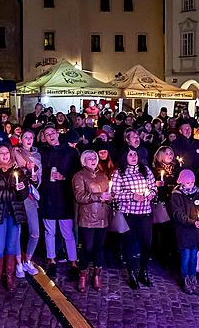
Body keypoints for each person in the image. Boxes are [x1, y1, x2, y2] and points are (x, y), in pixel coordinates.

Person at [111, 147, 156, 289]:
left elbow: (153, 186)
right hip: (129, 214)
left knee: (146, 244)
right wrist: (132, 196)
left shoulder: (146, 170)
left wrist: (151, 194)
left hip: (145, 213)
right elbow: (115, 194)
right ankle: (131, 273)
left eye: (135, 154)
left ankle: (143, 271)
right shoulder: (119, 173)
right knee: (130, 244)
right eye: (130, 154)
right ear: (124, 156)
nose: (133, 157)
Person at [38, 125, 80, 277]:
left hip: (64, 197)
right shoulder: (42, 152)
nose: (50, 136)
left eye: (52, 133)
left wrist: (64, 177)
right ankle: (52, 260)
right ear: (44, 138)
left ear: (57, 133)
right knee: (49, 232)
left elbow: (78, 175)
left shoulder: (70, 152)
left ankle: (73, 262)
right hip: (48, 196)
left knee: (67, 232)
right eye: (47, 134)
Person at [0, 143, 29, 292]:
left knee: (11, 247)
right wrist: (13, 193)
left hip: (14, 215)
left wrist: (21, 191)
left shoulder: (17, 172)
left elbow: (23, 194)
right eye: (1, 153)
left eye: (7, 153)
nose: (5, 156)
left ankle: (9, 276)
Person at [71, 150, 111, 292]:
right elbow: (80, 196)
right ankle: (82, 275)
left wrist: (109, 197)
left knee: (99, 247)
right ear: (83, 161)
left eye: (95, 157)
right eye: (89, 158)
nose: (93, 160)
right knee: (87, 247)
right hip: (87, 217)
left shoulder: (103, 176)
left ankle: (96, 275)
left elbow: (109, 194)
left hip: (102, 217)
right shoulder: (79, 176)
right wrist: (99, 196)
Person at [169, 169, 199, 294]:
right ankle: (184, 278)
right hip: (184, 231)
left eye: (192, 182)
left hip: (196, 232)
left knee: (194, 257)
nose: (190, 184)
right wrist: (191, 221)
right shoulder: (177, 195)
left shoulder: (198, 193)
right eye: (187, 183)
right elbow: (177, 213)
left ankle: (193, 278)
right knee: (185, 255)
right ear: (181, 182)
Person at [12, 129, 41, 276]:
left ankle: (28, 260)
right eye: (26, 137)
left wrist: (35, 178)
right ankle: (18, 263)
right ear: (21, 139)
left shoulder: (37, 155)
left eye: (31, 137)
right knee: (17, 231)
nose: (29, 140)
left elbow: (38, 176)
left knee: (35, 232)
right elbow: (11, 171)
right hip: (17, 196)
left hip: (30, 196)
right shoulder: (14, 152)